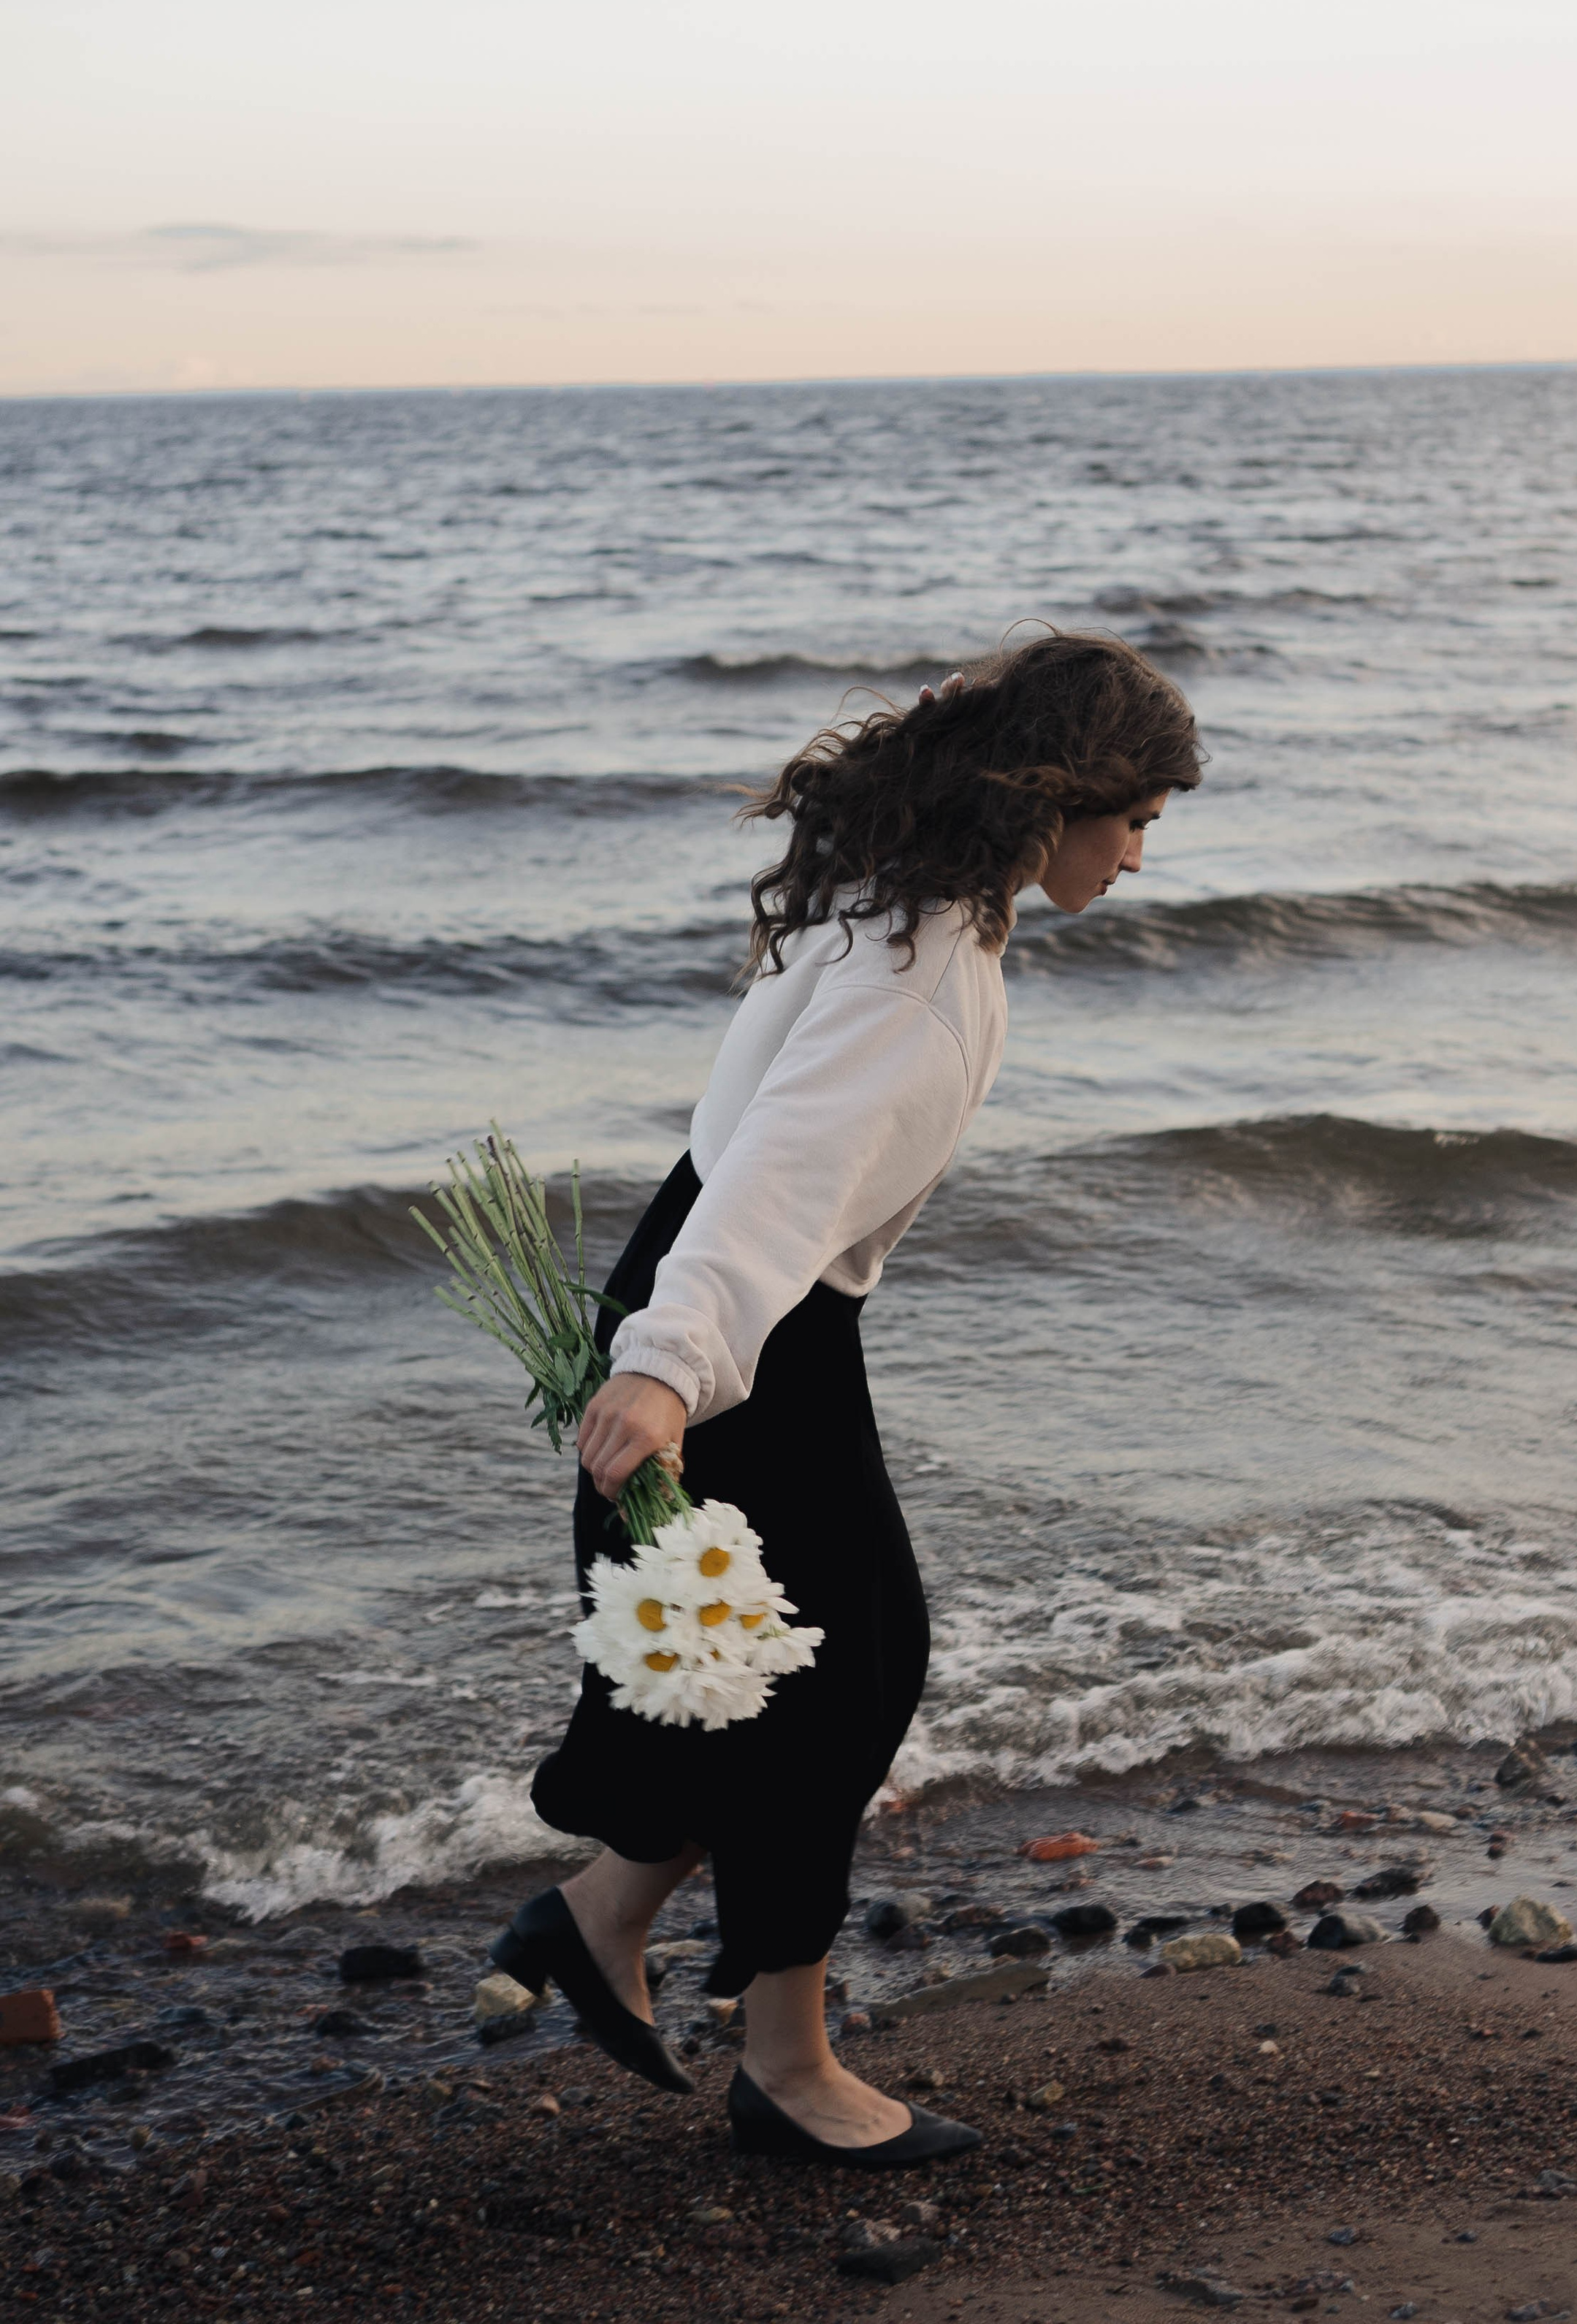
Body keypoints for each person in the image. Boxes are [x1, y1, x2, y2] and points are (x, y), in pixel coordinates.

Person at [489, 630, 1202, 2163]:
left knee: (778, 1664)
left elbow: (749, 1168)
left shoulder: (901, 908)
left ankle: (602, 1920)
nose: (1140, 857)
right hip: (741, 1326)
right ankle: (785, 2071)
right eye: (1132, 818)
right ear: (1056, 800)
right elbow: (774, 1177)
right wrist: (668, 1370)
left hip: (737, 1307)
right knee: (841, 1675)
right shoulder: (922, 975)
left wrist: (670, 1338)